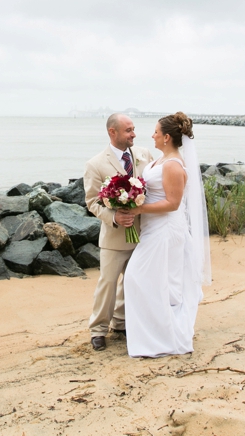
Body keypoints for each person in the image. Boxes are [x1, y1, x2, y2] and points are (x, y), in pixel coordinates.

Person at [121, 112, 212, 358]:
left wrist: (138, 208)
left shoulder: (173, 165)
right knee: (148, 281)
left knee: (142, 279)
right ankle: (153, 334)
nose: (152, 135)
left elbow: (173, 203)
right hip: (152, 228)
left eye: (156, 132)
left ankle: (163, 337)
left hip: (165, 230)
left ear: (167, 137)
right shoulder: (160, 161)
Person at [83, 113, 153, 351]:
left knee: (132, 282)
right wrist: (114, 216)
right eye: (128, 130)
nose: (133, 134)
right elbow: (92, 202)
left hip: (144, 234)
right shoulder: (95, 164)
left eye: (133, 129)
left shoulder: (144, 155)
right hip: (113, 237)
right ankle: (98, 330)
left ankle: (121, 323)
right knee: (108, 283)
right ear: (112, 132)